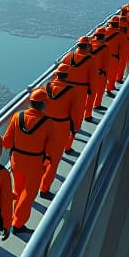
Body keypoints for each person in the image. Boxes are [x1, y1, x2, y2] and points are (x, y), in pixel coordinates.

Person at [2, 88, 60, 233]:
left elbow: (7, 142)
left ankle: (12, 218)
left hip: (16, 161)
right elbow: (51, 148)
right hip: (34, 163)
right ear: (44, 105)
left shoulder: (17, 117)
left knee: (19, 190)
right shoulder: (48, 123)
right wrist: (48, 162)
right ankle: (18, 224)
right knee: (28, 194)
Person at [39, 66, 75, 198]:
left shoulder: (45, 87)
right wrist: (74, 128)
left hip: (44, 125)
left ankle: (38, 179)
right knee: (54, 160)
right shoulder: (71, 91)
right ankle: (44, 188)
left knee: (42, 154)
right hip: (61, 127)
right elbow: (75, 112)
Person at [59, 38, 94, 153]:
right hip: (81, 90)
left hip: (65, 89)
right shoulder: (90, 60)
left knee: (63, 114)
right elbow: (93, 79)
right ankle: (67, 147)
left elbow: (59, 72)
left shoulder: (69, 56)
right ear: (88, 46)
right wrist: (91, 91)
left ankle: (58, 142)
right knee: (75, 119)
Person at [86, 26, 110, 120]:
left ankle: (86, 112)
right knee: (98, 91)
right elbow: (106, 64)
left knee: (89, 94)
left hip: (88, 73)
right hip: (99, 74)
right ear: (104, 36)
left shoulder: (89, 45)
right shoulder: (105, 48)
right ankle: (95, 107)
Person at [104, 15, 128, 97]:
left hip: (102, 57)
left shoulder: (103, 32)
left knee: (102, 75)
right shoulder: (121, 35)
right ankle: (109, 89)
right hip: (113, 57)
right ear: (118, 24)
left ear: (109, 23)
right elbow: (122, 49)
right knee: (112, 74)